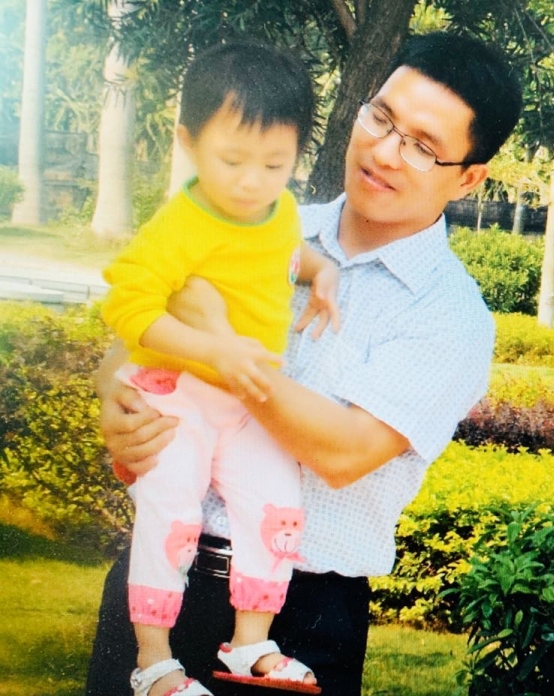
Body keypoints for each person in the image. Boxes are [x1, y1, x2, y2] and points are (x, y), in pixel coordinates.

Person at [86, 32, 523, 696]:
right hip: (158, 580)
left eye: (421, 146)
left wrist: (220, 347)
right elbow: (133, 334)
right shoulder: (256, 216)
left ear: (468, 177)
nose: (383, 151)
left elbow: (342, 452)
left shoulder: (450, 317)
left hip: (298, 617)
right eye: (380, 118)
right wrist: (116, 403)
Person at [99, 41, 338, 696]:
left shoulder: (278, 210)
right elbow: (127, 306)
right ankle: (154, 663)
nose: (251, 181)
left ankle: (251, 643)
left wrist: (323, 273)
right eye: (232, 160)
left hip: (245, 401)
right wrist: (214, 350)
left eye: (274, 164)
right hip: (178, 393)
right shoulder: (178, 225)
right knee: (173, 517)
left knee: (277, 509)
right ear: (189, 142)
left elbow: (286, 252)